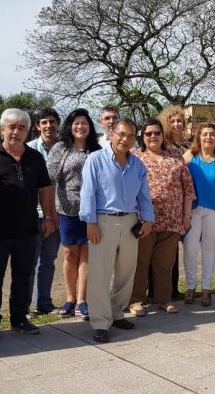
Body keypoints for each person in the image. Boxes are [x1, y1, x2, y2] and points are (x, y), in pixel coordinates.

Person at [79, 118, 155, 343]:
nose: (125, 139)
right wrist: (90, 222)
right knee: (100, 274)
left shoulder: (137, 164)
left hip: (130, 222)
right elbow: (88, 193)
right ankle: (100, 322)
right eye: (121, 134)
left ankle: (116, 312)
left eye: (131, 136)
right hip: (102, 222)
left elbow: (144, 195)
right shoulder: (95, 160)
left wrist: (148, 219)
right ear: (112, 133)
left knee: (126, 271)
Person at [0, 109, 56, 340]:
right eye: (11, 127)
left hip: (27, 229)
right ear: (2, 129)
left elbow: (45, 189)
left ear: (27, 131)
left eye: (21, 128)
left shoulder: (35, 157)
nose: (16, 132)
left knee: (23, 276)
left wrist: (48, 217)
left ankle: (19, 317)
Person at [129, 119, 195, 315]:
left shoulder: (175, 156)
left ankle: (163, 299)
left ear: (162, 135)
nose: (152, 137)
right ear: (142, 136)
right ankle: (135, 300)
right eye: (148, 133)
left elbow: (188, 188)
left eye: (156, 133)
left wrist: (186, 216)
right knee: (140, 262)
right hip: (143, 220)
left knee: (164, 264)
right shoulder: (134, 156)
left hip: (171, 219)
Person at [46, 109, 101, 321]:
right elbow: (49, 180)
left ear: (90, 127)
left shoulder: (97, 150)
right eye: (76, 123)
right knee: (70, 254)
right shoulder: (60, 148)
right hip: (66, 210)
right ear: (70, 126)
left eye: (84, 123)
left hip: (91, 211)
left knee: (87, 254)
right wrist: (51, 212)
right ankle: (69, 298)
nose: (80, 127)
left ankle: (82, 300)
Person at [183, 122, 215, 307]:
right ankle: (190, 287)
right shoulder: (190, 156)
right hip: (193, 209)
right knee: (189, 247)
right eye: (205, 134)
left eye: (212, 134)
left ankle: (206, 289)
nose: (208, 138)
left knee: (209, 247)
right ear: (199, 137)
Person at [27, 108, 62, 316]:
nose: (49, 125)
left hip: (57, 214)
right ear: (38, 126)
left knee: (48, 260)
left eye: (52, 121)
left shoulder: (64, 148)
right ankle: (24, 307)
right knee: (29, 262)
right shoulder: (29, 149)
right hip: (33, 213)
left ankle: (45, 303)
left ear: (58, 124)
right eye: (44, 122)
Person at [156, 105, 189, 299]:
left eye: (180, 121)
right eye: (173, 121)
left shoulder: (187, 146)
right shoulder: (163, 146)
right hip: (164, 205)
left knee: (174, 250)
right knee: (164, 251)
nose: (176, 124)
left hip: (184, 201)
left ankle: (173, 289)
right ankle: (160, 291)